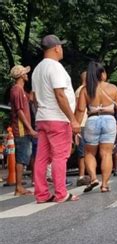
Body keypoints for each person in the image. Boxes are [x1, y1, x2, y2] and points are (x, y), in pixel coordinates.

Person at [31, 34, 80, 203]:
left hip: (43, 117)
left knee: (41, 158)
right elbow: (60, 94)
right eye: (61, 47)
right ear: (56, 48)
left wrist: (42, 112)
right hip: (58, 118)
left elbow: (34, 98)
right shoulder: (56, 67)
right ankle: (61, 193)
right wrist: (73, 119)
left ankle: (42, 194)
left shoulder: (37, 69)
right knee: (60, 156)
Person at [75, 62, 117, 193]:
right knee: (106, 153)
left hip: (92, 120)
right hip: (109, 119)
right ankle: (104, 185)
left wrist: (75, 127)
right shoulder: (112, 88)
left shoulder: (85, 90)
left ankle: (93, 178)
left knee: (89, 153)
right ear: (102, 74)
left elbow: (81, 110)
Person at [9, 65, 36, 195]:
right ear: (20, 76)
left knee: (26, 155)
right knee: (21, 157)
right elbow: (20, 111)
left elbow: (30, 99)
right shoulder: (17, 90)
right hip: (21, 129)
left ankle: (20, 186)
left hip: (23, 129)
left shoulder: (21, 90)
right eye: (25, 73)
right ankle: (18, 186)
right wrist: (29, 128)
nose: (27, 75)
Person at [75, 71, 90, 186]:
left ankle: (86, 174)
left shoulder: (79, 90)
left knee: (85, 151)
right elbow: (79, 109)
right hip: (83, 123)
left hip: (84, 123)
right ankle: (81, 175)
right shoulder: (83, 90)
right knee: (83, 151)